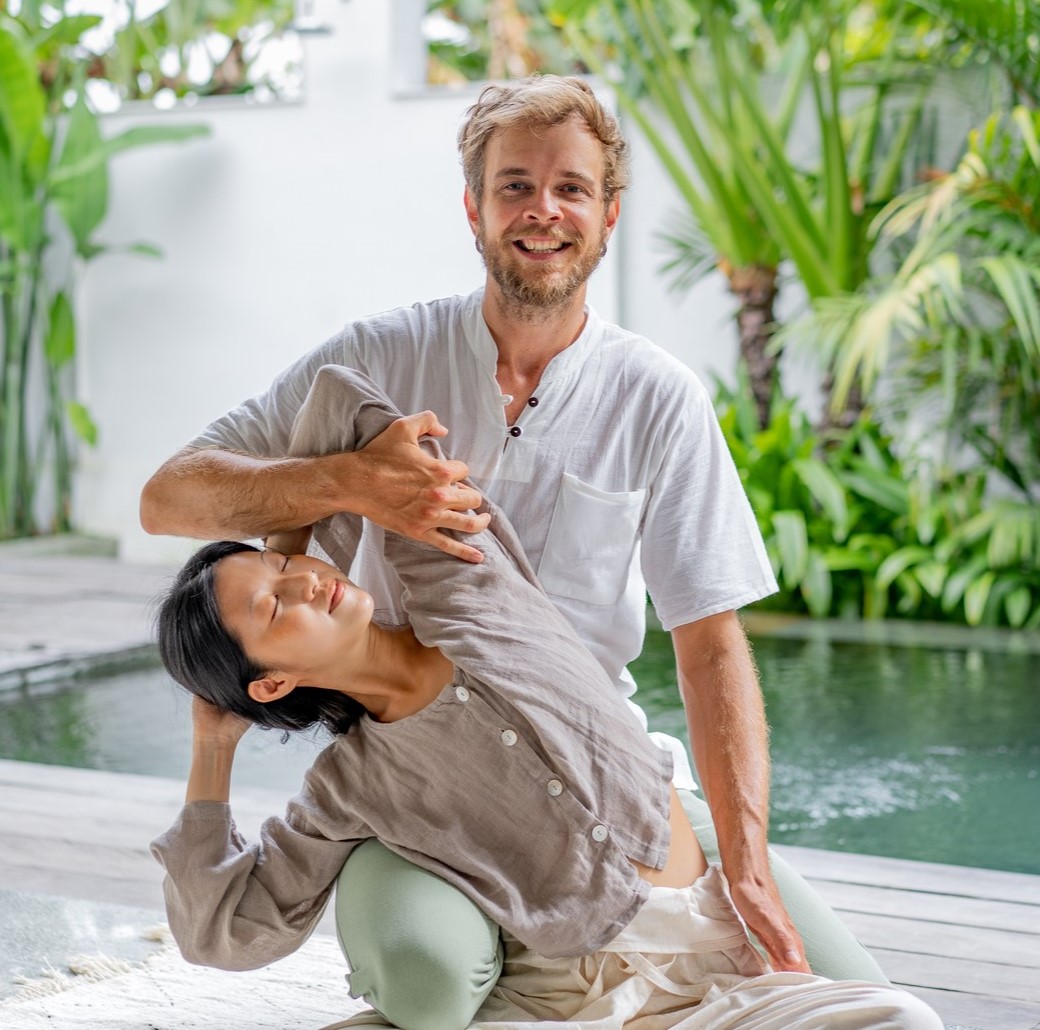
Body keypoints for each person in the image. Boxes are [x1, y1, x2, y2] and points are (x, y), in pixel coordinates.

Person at [140, 74, 887, 1014]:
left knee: (864, 998)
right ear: (474, 208)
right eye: (514, 186)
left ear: (609, 215)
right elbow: (169, 497)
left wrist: (745, 868)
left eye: (571, 187)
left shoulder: (657, 399)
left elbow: (709, 644)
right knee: (428, 978)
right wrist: (339, 495)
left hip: (604, 764)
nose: (543, 211)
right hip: (424, 794)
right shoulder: (387, 361)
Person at [152, 368, 941, 1030]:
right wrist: (212, 747)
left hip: (720, 954)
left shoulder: (457, 576)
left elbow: (337, 398)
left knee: (906, 1021)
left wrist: (284, 545)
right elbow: (224, 934)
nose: (305, 583)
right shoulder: (352, 786)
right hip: (572, 1000)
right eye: (273, 607)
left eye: (285, 573)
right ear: (272, 684)